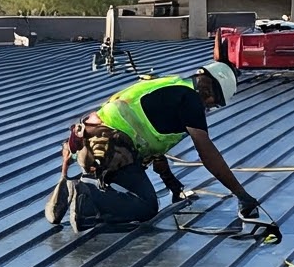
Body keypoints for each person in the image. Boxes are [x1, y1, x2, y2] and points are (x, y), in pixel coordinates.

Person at [48, 61, 261, 234]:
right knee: (146, 206)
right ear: (207, 87)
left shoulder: (172, 87)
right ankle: (86, 194)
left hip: (93, 146)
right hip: (108, 148)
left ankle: (85, 200)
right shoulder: (190, 99)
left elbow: (152, 143)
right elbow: (207, 153)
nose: (210, 107)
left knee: (133, 196)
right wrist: (241, 195)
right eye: (214, 102)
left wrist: (172, 185)